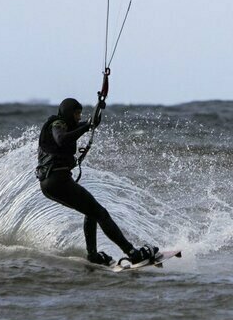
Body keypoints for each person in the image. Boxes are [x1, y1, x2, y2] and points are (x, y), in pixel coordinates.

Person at [35, 97, 157, 265]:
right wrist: (86, 126)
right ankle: (133, 253)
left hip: (49, 184)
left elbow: (85, 125)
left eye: (80, 114)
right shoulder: (57, 124)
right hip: (58, 180)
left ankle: (93, 256)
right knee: (100, 213)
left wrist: (94, 115)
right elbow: (62, 139)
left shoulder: (62, 125)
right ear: (68, 113)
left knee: (91, 212)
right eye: (77, 114)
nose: (79, 117)